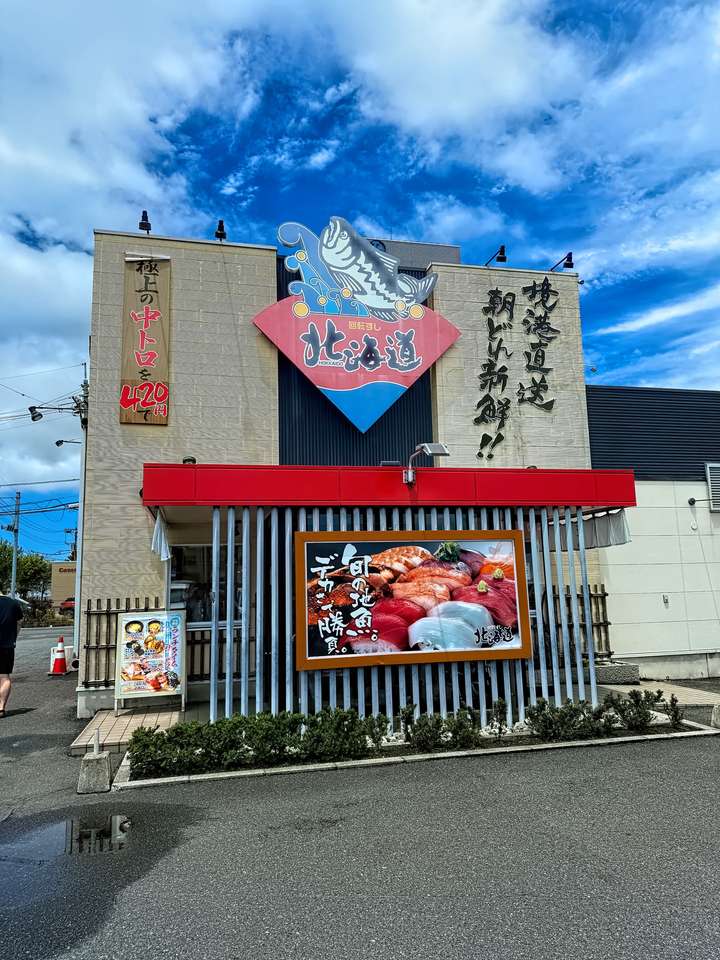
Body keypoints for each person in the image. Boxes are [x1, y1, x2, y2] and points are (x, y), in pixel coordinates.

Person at [0, 593, 23, 718]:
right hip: (7, 645)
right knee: (4, 677)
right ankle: (1, 708)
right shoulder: (13, 603)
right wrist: (14, 636)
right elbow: (19, 622)